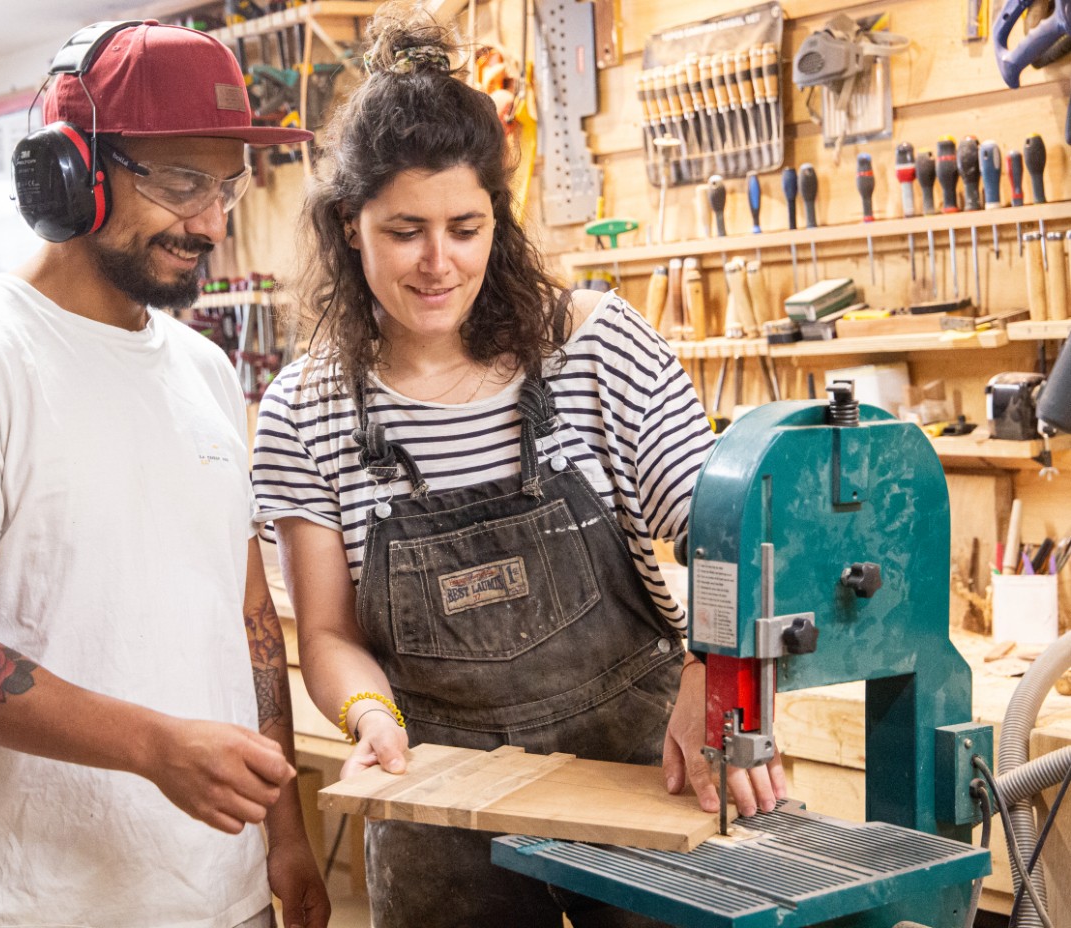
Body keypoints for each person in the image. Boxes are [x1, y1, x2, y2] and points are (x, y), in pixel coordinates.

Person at [250, 4, 787, 926]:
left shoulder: (592, 347)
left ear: (499, 216)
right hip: (438, 792)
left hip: (640, 765)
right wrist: (370, 720)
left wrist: (715, 669)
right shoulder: (306, 409)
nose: (437, 263)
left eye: (465, 226)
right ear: (350, 225)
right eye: (404, 230)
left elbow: (729, 530)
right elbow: (330, 635)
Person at [0, 21, 329, 928]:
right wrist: (156, 748)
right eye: (181, 182)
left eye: (226, 185)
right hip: (35, 907)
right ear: (68, 175)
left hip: (221, 899)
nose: (211, 222)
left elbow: (246, 619)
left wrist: (284, 833)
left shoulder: (203, 373)